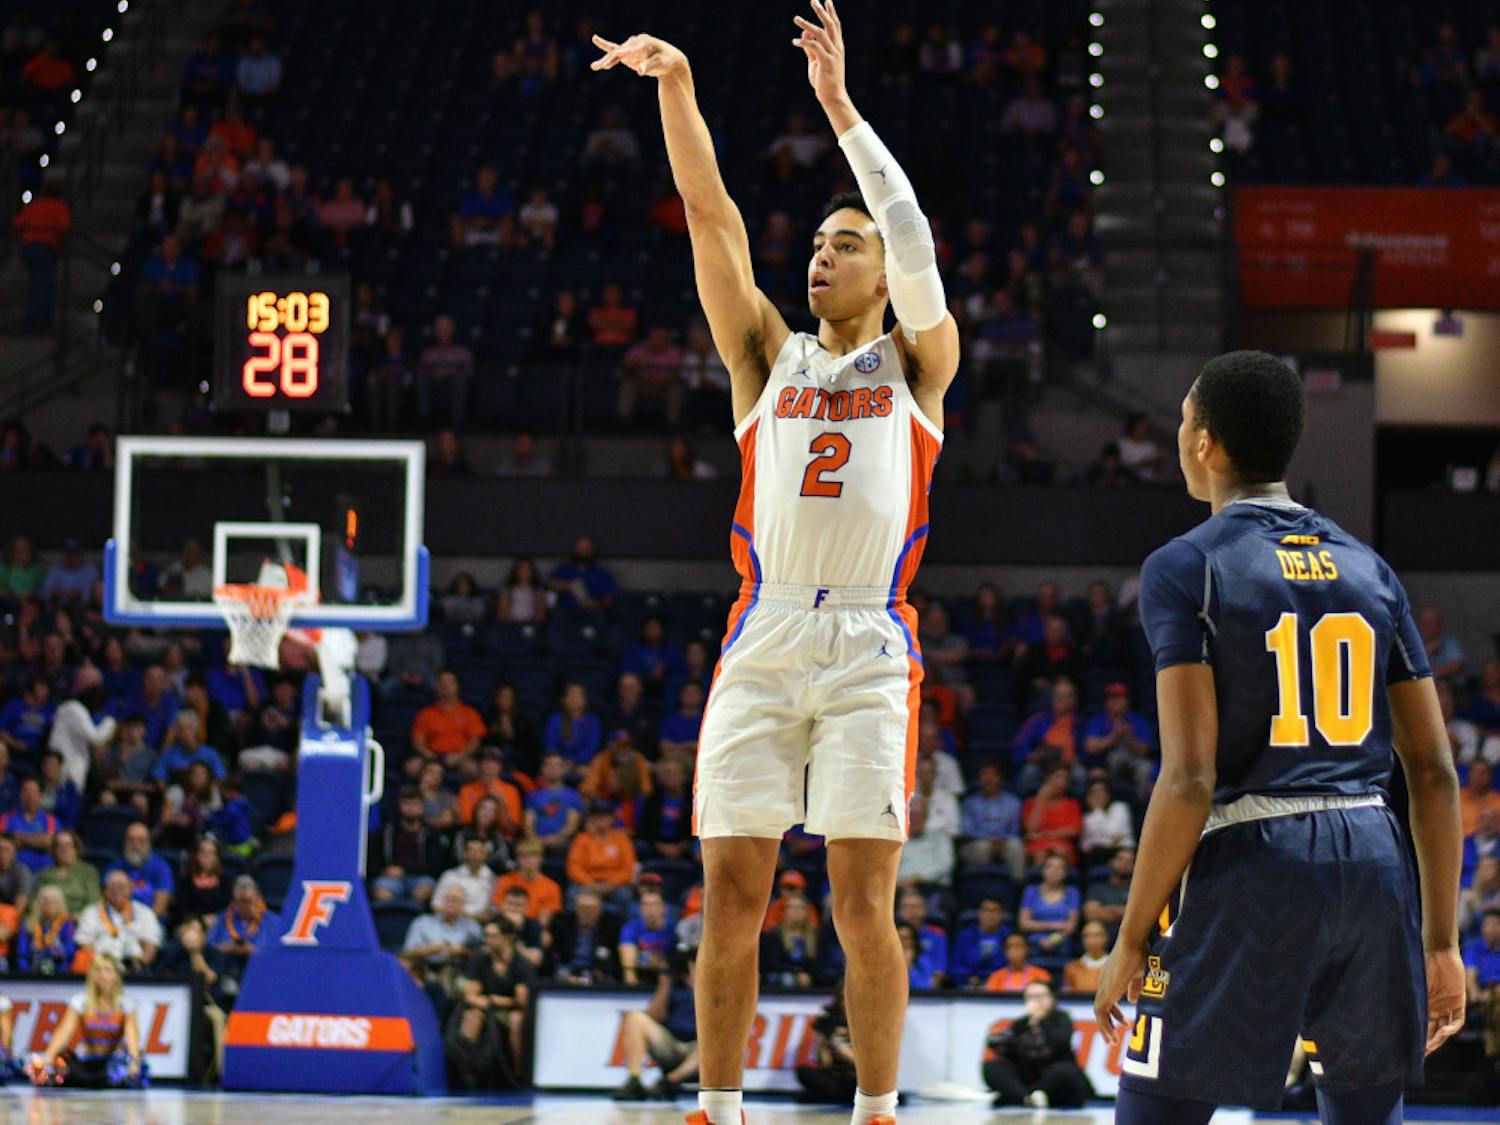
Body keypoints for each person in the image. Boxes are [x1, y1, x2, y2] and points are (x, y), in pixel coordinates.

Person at [591, 3, 961, 1120]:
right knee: (730, 896)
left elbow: (911, 227)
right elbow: (710, 219)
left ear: (883, 275)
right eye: (814, 246)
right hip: (762, 634)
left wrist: (842, 110)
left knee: (862, 904)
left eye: (843, 246)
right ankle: (718, 1104)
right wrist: (676, 85)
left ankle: (878, 1110)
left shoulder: (920, 364)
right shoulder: (765, 353)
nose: (820, 258)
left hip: (865, 639)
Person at [1094, 351, 1465, 1124]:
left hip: (1254, 858)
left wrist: (1129, 938)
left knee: (1158, 1108)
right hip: (1371, 855)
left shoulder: (1186, 565)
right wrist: (1441, 942)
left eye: (1186, 420)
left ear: (1205, 442)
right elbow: (1432, 771)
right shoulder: (1371, 568)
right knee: (1364, 1114)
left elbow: (1189, 777)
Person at [30, 955, 144, 1087]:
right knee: (61, 1068)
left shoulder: (126, 1003)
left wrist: (134, 1062)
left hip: (111, 1063)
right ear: (92, 974)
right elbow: (64, 1031)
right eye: (98, 970)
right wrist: (48, 1057)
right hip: (87, 1061)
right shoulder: (81, 1000)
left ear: (116, 975)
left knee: (120, 1074)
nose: (102, 975)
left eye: (108, 970)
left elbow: (132, 1037)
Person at [983, 980, 1090, 1109]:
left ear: (1052, 998)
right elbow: (1008, 1048)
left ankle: (1022, 1096)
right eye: (1031, 997)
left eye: (1041, 996)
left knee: (1064, 1071)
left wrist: (1039, 1021)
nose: (1036, 1002)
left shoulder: (1061, 1019)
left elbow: (1059, 1043)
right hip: (1028, 1076)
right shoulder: (1021, 1024)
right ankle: (1025, 1098)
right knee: (993, 1066)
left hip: (1054, 1080)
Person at [613, 946, 701, 1101]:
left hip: (698, 1047)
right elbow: (656, 1015)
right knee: (635, 1018)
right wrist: (664, 983)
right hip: (671, 1043)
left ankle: (670, 1081)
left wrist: (698, 984)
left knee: (719, 1040)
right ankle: (634, 1080)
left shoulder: (714, 984)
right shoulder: (674, 983)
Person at [455, 917, 535, 1086]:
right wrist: (485, 1002)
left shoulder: (522, 964)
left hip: (510, 1010)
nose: (488, 941)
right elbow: (470, 994)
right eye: (487, 936)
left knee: (516, 1020)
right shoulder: (479, 960)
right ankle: (468, 1073)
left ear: (508, 938)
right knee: (471, 1016)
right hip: (486, 1006)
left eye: (494, 936)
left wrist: (497, 1001)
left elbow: (521, 1001)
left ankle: (519, 1075)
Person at [74, 870, 162, 974]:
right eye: (112, 887)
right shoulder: (91, 912)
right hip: (100, 967)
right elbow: (85, 943)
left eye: (121, 887)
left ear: (130, 889)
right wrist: (103, 966)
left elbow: (151, 945)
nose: (117, 891)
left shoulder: (144, 912)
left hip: (134, 967)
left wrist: (139, 965)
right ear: (105, 891)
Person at [949, 896, 1009, 987]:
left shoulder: (1009, 937)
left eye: (994, 911)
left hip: (1001, 986)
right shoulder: (965, 936)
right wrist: (968, 979)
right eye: (985, 910)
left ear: (1001, 915)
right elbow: (955, 966)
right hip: (969, 986)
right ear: (979, 913)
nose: (990, 915)